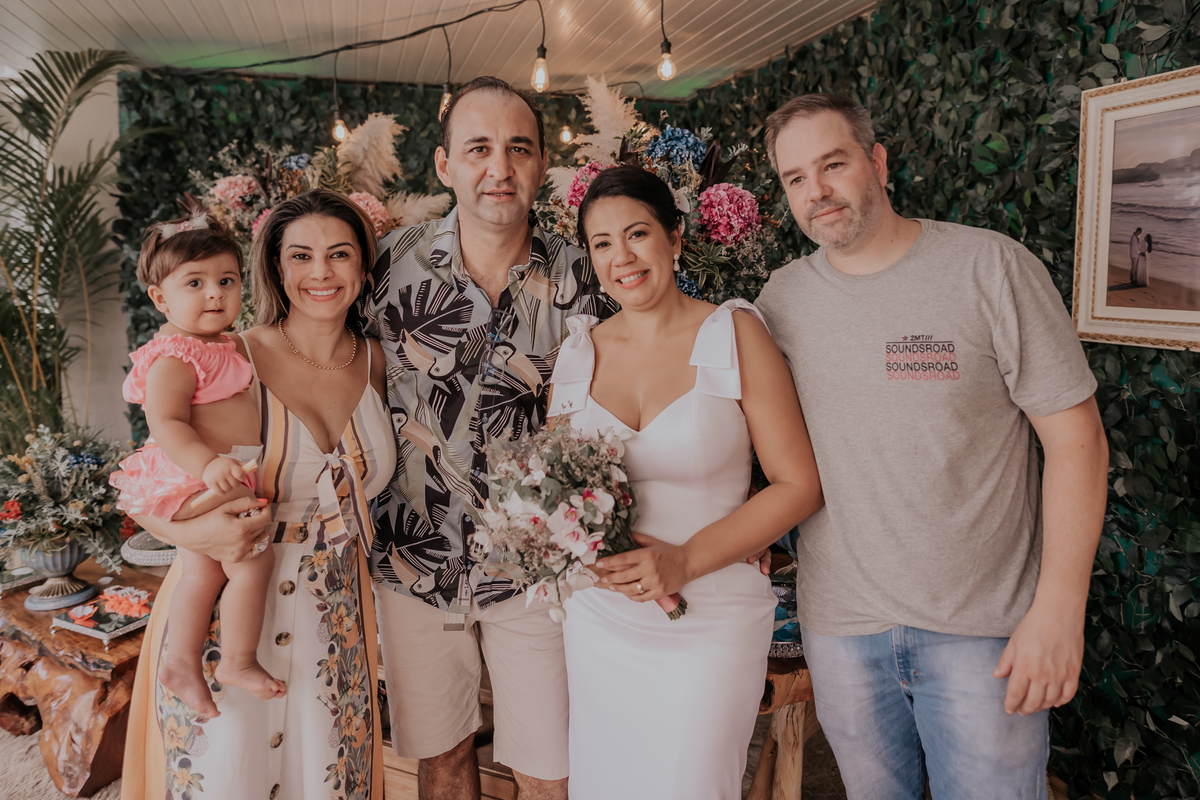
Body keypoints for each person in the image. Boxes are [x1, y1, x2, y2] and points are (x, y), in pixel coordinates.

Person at [755, 93, 1109, 800]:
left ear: (877, 162)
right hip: (841, 631)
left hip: (983, 633)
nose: (816, 190)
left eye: (833, 164)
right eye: (795, 177)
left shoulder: (990, 267)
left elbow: (1079, 441)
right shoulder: (780, 301)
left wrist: (1059, 609)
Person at [360, 76, 616, 800]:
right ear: (444, 165)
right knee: (441, 760)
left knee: (550, 772)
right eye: (478, 149)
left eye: (518, 149)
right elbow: (322, 369)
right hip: (414, 559)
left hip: (538, 572)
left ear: (542, 165)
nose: (499, 168)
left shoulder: (588, 277)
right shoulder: (384, 267)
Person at [546, 165, 824, 799]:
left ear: (674, 237)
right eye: (602, 243)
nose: (622, 257)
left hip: (710, 616)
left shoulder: (734, 333)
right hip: (600, 618)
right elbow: (557, 493)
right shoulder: (578, 352)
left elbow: (798, 484)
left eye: (637, 233)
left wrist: (686, 559)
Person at [121, 190, 395, 800]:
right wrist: (196, 534)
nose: (321, 272)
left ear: (363, 266)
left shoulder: (379, 362)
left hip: (335, 616)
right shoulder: (227, 355)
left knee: (328, 780)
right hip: (223, 611)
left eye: (340, 254)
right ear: (276, 267)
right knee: (226, 779)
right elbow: (150, 480)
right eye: (300, 256)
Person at [110, 213, 283, 721]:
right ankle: (237, 661)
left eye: (226, 281)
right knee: (252, 560)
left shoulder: (224, 343)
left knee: (201, 574)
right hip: (194, 473)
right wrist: (207, 465)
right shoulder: (175, 354)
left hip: (216, 471)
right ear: (159, 298)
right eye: (195, 283)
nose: (215, 293)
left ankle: (180, 662)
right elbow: (165, 422)